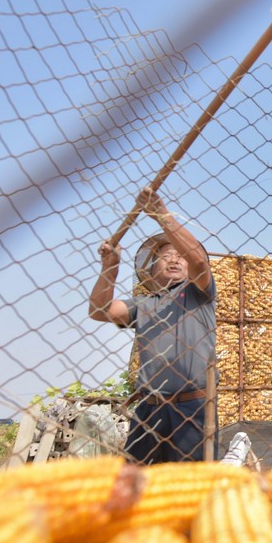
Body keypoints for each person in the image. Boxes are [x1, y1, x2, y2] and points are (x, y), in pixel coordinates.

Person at [89, 187, 216, 464]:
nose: (173, 259)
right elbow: (99, 311)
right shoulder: (142, 305)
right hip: (149, 409)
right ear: (152, 269)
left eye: (178, 255)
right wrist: (109, 267)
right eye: (165, 255)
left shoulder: (198, 293)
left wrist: (161, 214)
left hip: (191, 407)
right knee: (135, 483)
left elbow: (198, 260)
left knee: (188, 486)